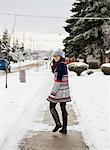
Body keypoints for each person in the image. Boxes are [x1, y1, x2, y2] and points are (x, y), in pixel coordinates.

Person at [47, 49, 71, 134]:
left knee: (51, 107)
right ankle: (64, 128)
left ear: (61, 56)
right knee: (63, 108)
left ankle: (58, 124)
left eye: (57, 56)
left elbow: (58, 80)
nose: (55, 57)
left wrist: (53, 92)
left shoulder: (60, 65)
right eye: (54, 56)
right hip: (64, 90)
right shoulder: (62, 64)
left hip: (59, 90)